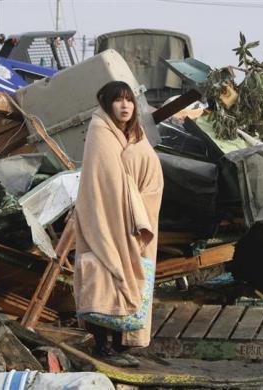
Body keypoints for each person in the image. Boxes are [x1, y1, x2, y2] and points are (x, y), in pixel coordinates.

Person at [73, 81, 163, 367]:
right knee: (106, 277)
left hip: (132, 219)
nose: (125, 106)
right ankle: (103, 347)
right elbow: (109, 184)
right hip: (106, 218)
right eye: (118, 100)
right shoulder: (101, 133)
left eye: (129, 101)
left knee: (122, 280)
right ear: (106, 104)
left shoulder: (132, 134)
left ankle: (119, 344)